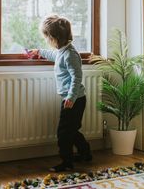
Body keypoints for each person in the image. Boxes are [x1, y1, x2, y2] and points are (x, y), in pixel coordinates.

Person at [30, 14, 92, 172]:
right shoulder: (63, 51)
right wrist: (39, 52)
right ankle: (86, 153)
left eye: (47, 38)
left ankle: (67, 162)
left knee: (63, 132)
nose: (47, 41)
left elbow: (76, 77)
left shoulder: (71, 54)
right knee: (71, 130)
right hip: (72, 99)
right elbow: (53, 55)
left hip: (74, 99)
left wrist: (70, 97)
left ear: (54, 37)